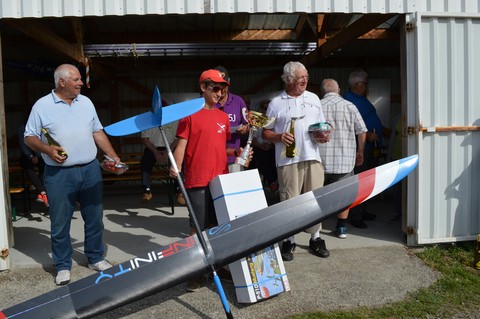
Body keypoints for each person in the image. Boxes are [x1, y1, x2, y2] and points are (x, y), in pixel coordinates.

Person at [24, 64, 121, 286]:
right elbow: (29, 137)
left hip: (90, 170)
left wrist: (113, 157)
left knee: (95, 218)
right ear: (62, 82)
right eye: (76, 79)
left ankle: (95, 258)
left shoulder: (86, 102)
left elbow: (97, 131)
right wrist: (48, 150)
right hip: (58, 174)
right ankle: (63, 265)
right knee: (60, 222)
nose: (81, 83)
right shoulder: (42, 106)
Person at [169, 69, 245, 292]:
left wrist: (236, 153)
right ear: (203, 87)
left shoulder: (222, 117)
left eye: (223, 88)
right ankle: (197, 270)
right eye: (215, 88)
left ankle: (217, 265)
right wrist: (177, 166)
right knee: (197, 228)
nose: (220, 93)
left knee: (217, 225)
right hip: (197, 180)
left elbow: (219, 146)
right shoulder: (189, 115)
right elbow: (181, 145)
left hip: (220, 181)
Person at [262, 61, 330, 261]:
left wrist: (323, 133)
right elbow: (265, 133)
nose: (305, 80)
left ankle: (315, 238)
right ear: (289, 80)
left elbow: (321, 124)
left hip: (312, 157)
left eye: (306, 77)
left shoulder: (314, 98)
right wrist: (278, 137)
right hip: (287, 160)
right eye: (301, 78)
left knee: (315, 200)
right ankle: (289, 239)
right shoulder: (275, 103)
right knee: (289, 201)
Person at [318, 79, 367, 238]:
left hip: (319, 160)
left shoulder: (316, 106)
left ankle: (315, 227)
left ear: (322, 91)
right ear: (338, 89)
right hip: (344, 160)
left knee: (317, 194)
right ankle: (341, 228)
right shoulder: (350, 106)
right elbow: (362, 130)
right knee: (343, 195)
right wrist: (360, 151)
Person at [344, 70, 384, 228]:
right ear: (356, 84)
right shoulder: (349, 100)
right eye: (365, 84)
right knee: (359, 182)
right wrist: (366, 134)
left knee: (367, 182)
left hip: (370, 148)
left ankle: (363, 209)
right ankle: (356, 215)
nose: (367, 87)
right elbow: (350, 123)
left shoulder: (360, 98)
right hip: (361, 149)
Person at [213, 66, 249, 172]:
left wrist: (245, 129)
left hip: (234, 158)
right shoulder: (206, 103)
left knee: (235, 188)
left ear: (228, 82)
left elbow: (248, 125)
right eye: (217, 85)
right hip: (213, 159)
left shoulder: (238, 101)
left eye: (224, 84)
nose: (222, 89)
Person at [140, 118, 180, 203]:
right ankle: (147, 190)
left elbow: (178, 138)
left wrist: (168, 151)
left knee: (178, 162)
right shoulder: (148, 120)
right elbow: (145, 139)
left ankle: (179, 190)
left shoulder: (175, 120)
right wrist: (155, 152)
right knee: (145, 162)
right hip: (152, 148)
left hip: (170, 147)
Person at [17, 123, 49, 208]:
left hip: (39, 154)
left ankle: (40, 194)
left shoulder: (41, 128)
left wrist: (38, 155)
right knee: (27, 166)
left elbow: (41, 142)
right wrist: (30, 156)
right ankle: (42, 192)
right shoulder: (22, 127)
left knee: (44, 164)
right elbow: (22, 144)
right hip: (26, 155)